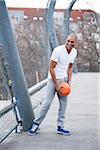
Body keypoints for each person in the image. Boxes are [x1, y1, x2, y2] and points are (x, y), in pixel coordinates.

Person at [28, 34, 77, 136]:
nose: (69, 43)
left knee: (63, 104)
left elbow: (70, 67)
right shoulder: (58, 51)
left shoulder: (74, 52)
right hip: (52, 79)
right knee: (47, 103)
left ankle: (60, 127)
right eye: (68, 41)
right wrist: (56, 85)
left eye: (72, 42)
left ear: (75, 43)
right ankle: (35, 124)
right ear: (66, 40)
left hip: (63, 80)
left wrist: (69, 82)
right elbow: (51, 68)